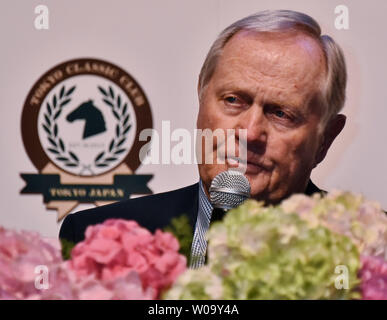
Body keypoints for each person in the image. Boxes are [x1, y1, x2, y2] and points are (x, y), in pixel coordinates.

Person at [59, 10, 347, 268]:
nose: (249, 133)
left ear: (325, 139)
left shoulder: (368, 251)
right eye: (233, 100)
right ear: (201, 95)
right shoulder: (95, 242)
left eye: (282, 114)